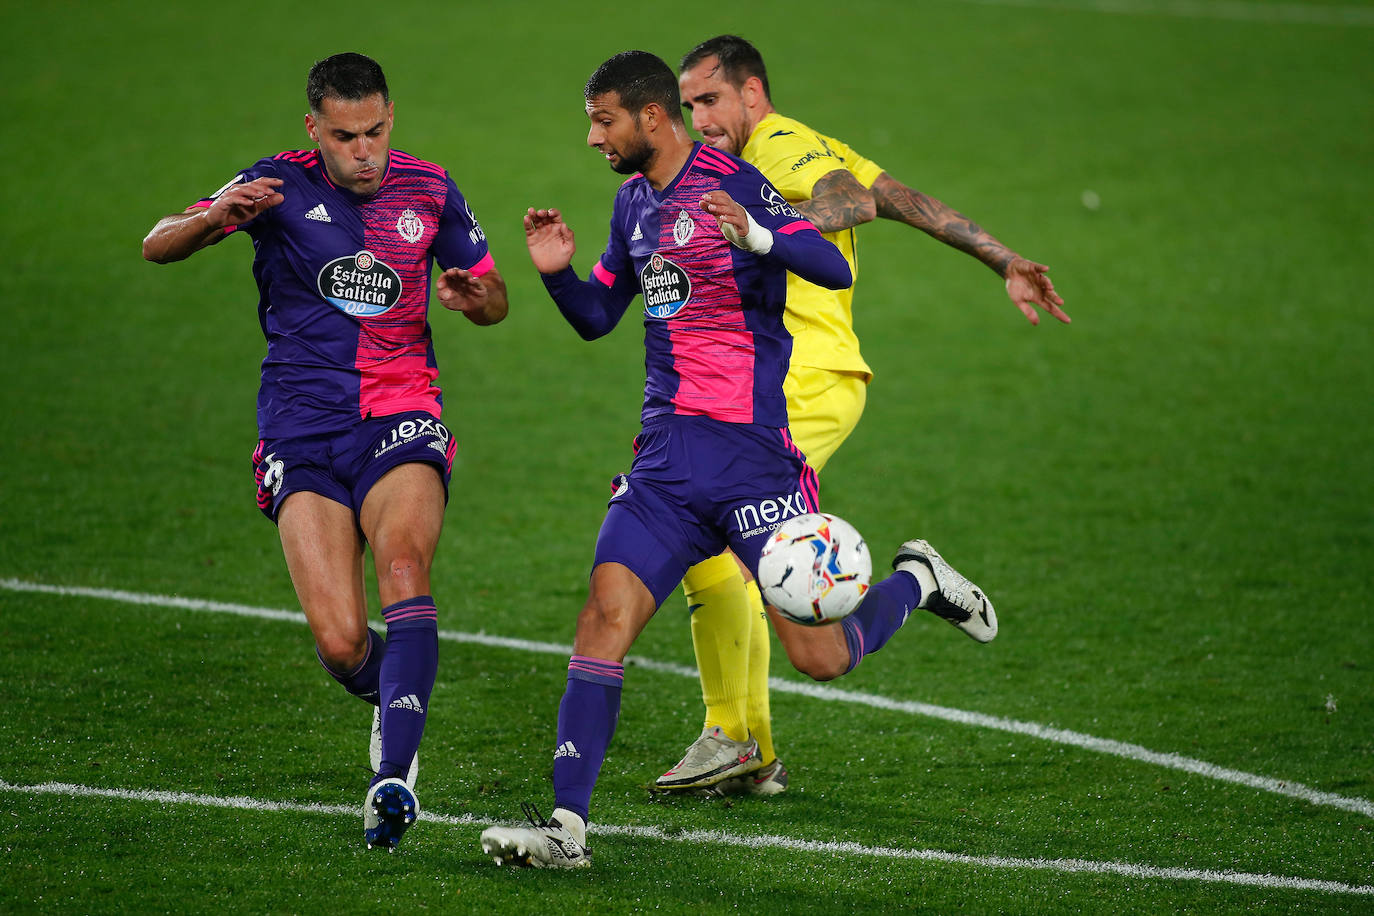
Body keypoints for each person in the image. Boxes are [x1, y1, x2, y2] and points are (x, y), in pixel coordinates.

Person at [478, 50, 992, 870]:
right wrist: (555, 274)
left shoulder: (739, 182)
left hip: (756, 460)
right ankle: (566, 828)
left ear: (652, 118)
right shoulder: (631, 205)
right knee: (603, 619)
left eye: (603, 119)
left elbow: (825, 263)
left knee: (820, 657)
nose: (591, 137)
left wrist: (758, 233)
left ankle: (916, 582)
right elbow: (598, 315)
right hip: (666, 465)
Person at [652, 34, 1071, 799]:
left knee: (711, 539)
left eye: (710, 100)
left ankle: (734, 734)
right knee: (739, 569)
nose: (700, 118)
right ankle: (759, 741)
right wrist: (1002, 257)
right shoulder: (802, 143)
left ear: (752, 94)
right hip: (774, 383)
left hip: (801, 382)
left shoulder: (779, 144)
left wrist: (759, 230)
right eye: (688, 106)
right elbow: (903, 197)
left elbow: (853, 201)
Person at [141, 52, 508, 852]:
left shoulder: (429, 186)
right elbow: (156, 244)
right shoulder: (272, 184)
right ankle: (393, 691)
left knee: (404, 565)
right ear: (315, 130)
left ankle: (394, 778)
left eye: (376, 131)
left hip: (400, 412)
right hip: (302, 427)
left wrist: (479, 300)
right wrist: (216, 217)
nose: (365, 151)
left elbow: (492, 294)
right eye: (346, 137)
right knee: (341, 641)